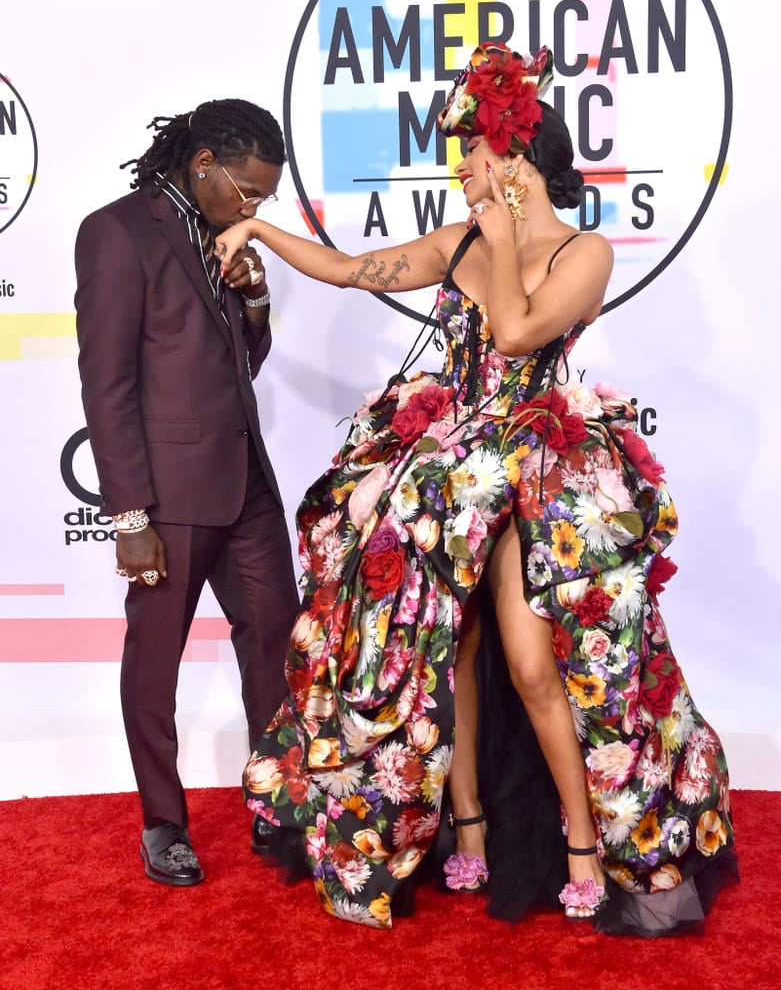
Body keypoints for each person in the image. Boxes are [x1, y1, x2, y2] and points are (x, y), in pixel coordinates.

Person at [215, 45, 737, 932]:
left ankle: (581, 840)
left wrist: (498, 242)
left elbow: (519, 330)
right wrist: (262, 232)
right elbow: (350, 269)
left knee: (537, 667)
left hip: (541, 473)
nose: (458, 168)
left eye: (471, 153)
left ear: (515, 159)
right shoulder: (457, 238)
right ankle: (469, 830)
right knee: (436, 650)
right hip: (451, 470)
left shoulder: (585, 250)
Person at [74, 99, 300, 887]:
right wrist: (129, 513)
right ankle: (163, 822)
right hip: (165, 496)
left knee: (276, 644)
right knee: (156, 659)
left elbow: (242, 361)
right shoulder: (117, 232)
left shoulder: (220, 233)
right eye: (247, 193)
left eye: (264, 199)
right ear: (202, 164)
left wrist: (257, 298)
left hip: (248, 489)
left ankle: (279, 806)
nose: (255, 209)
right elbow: (106, 386)